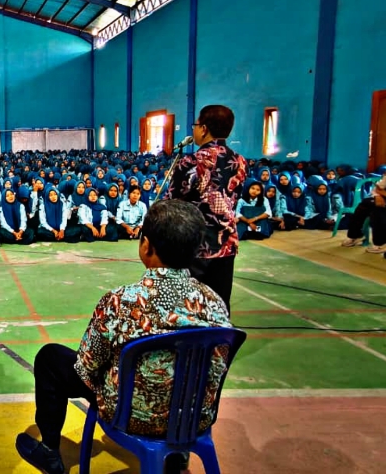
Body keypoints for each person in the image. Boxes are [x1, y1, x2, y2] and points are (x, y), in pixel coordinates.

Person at [15, 201, 232, 474]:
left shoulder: (121, 302)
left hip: (131, 416)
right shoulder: (215, 304)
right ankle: (177, 457)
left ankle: (49, 450)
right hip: (193, 417)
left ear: (146, 246)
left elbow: (86, 367)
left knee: (50, 358)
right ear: (199, 249)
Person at [167, 105, 247, 311]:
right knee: (219, 303)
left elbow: (173, 203)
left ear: (203, 128)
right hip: (226, 243)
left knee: (190, 304)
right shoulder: (240, 161)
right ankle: (220, 341)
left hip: (194, 244)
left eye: (195, 125)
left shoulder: (192, 161)